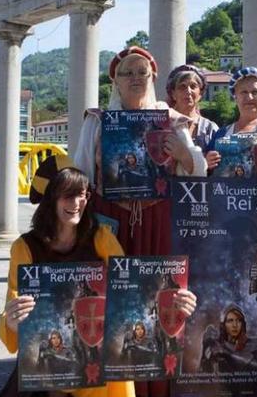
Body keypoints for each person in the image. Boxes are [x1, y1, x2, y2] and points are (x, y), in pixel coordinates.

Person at [0, 155, 198, 397]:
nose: (77, 202)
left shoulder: (101, 238)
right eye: (67, 195)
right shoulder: (24, 247)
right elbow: (15, 299)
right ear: (49, 199)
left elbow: (133, 291)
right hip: (50, 365)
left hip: (98, 362)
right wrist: (11, 320)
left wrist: (175, 300)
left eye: (82, 194)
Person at [73, 47, 205, 397]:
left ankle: (155, 388)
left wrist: (182, 155)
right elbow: (81, 173)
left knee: (158, 302)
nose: (135, 78)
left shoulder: (170, 119)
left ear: (152, 78)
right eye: (127, 72)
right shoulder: (98, 120)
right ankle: (112, 390)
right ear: (115, 79)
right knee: (110, 303)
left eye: (142, 72)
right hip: (109, 224)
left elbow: (199, 172)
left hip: (157, 221)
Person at [205, 67, 257, 176]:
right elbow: (208, 174)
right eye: (243, 92)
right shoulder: (221, 135)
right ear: (235, 98)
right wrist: (208, 162)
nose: (249, 97)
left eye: (255, 92)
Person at [199, 305, 257, 374]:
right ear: (223, 325)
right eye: (230, 321)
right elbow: (204, 377)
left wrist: (227, 354)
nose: (235, 325)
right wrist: (205, 348)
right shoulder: (218, 346)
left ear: (243, 324)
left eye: (238, 320)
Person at [164, 64, 219, 151]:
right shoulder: (162, 125)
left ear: (200, 94)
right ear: (173, 94)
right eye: (182, 87)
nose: (188, 91)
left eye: (193, 86)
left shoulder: (210, 128)